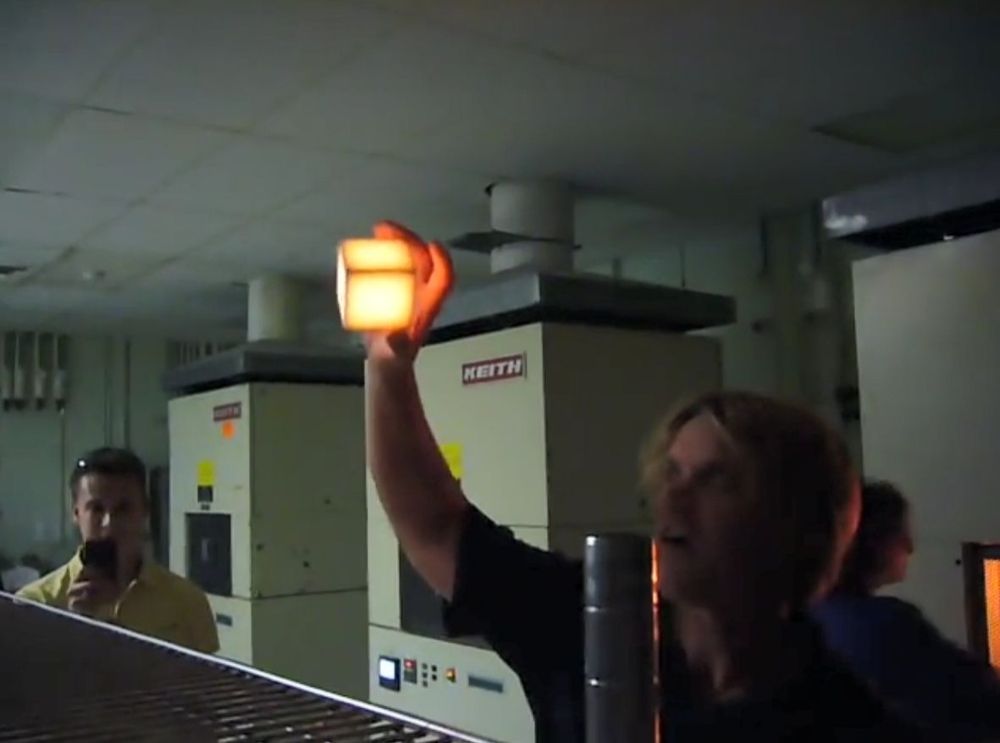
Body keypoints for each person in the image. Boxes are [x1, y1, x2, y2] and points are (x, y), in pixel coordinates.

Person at [365, 221, 919, 741]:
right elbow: (435, 526)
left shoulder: (851, 725)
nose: (671, 497)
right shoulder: (585, 620)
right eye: (671, 472)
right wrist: (387, 364)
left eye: (716, 480)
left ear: (797, 527)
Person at [813, 480, 1000, 741]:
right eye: (901, 535)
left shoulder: (817, 616)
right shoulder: (888, 625)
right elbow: (978, 691)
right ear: (875, 542)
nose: (910, 547)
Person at [17, 447, 219, 654]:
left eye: (123, 509)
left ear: (145, 512)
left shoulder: (188, 602)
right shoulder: (34, 604)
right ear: (76, 514)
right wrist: (73, 628)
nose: (109, 523)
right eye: (96, 509)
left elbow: (208, 674)